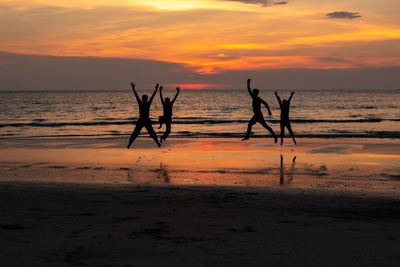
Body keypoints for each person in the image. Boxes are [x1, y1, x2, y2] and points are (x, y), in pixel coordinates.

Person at [127, 82, 161, 149]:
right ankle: (129, 144)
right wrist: (133, 88)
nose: (145, 99)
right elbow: (136, 95)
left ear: (145, 99)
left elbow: (152, 97)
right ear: (143, 99)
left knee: (152, 133)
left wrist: (156, 89)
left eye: (145, 98)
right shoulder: (141, 103)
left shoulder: (147, 103)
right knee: (135, 133)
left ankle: (157, 143)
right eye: (144, 98)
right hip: (142, 120)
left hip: (146, 120)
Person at [242, 78, 277, 143]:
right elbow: (249, 91)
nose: (252, 93)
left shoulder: (257, 98)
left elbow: (266, 103)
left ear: (256, 93)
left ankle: (247, 136)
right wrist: (269, 111)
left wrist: (269, 111)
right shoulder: (255, 98)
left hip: (258, 114)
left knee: (252, 124)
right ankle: (274, 136)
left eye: (253, 92)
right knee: (264, 126)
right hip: (257, 114)